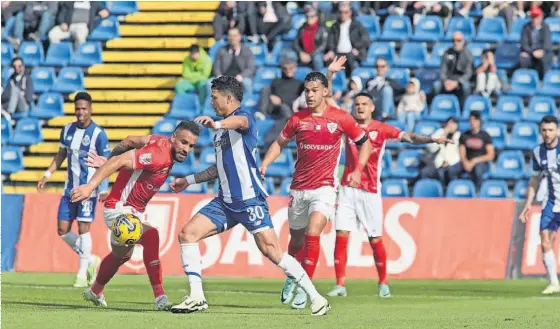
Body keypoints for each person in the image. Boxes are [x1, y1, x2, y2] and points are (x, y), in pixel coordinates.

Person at [168, 76, 331, 316]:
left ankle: (317, 298)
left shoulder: (245, 119)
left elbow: (241, 121)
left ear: (228, 98)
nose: (211, 102)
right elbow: (218, 168)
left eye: (214, 98)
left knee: (272, 251)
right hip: (225, 202)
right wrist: (188, 180)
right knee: (187, 234)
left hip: (249, 200)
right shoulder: (220, 132)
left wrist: (218, 124)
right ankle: (197, 297)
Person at [260, 57, 373, 310]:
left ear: (325, 92)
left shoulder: (341, 118)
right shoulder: (297, 120)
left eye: (314, 91)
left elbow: (364, 143)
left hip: (324, 188)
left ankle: (305, 287)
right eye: (307, 91)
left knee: (314, 234)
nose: (309, 95)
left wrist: (358, 169)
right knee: (295, 242)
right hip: (298, 188)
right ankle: (292, 275)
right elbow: (279, 143)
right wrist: (265, 163)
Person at [325, 92, 451, 298]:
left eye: (364, 104)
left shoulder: (380, 129)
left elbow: (408, 137)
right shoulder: (348, 125)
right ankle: (340, 284)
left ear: (372, 107)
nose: (360, 107)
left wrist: (431, 139)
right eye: (357, 104)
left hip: (370, 191)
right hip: (348, 189)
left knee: (375, 239)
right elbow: (329, 100)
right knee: (341, 235)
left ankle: (383, 282)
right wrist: (330, 75)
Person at [70, 121, 201, 310]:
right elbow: (121, 160)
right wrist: (91, 185)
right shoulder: (158, 154)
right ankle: (160, 297)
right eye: (184, 142)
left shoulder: (159, 141)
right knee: (151, 236)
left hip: (131, 210)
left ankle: (95, 291)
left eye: (191, 146)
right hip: (120, 208)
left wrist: (108, 161)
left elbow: (131, 140)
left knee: (121, 255)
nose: (187, 149)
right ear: (173, 137)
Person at [36, 92, 108, 288]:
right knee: (62, 230)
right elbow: (60, 155)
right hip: (69, 189)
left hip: (87, 190)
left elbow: (107, 163)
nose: (80, 112)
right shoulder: (67, 130)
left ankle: (82, 273)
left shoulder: (98, 134)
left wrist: (103, 187)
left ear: (91, 109)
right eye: (77, 108)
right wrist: (47, 175)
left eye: (84, 108)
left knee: (84, 229)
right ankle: (91, 259)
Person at [520, 115, 560, 295]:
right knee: (545, 240)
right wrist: (528, 204)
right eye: (544, 130)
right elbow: (534, 179)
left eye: (551, 130)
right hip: (552, 202)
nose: (547, 133)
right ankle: (554, 282)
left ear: (557, 131)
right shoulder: (537, 152)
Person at [258, 57, 304, 148]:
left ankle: (284, 134)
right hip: (275, 108)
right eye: (285, 68)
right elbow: (270, 94)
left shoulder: (300, 84)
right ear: (281, 69)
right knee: (265, 89)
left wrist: (282, 101)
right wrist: (271, 96)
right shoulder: (276, 81)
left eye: (291, 68)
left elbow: (301, 100)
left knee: (285, 109)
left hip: (289, 109)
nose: (288, 70)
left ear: (295, 68)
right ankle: (262, 114)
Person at [210, 27, 255, 95]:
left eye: (234, 36)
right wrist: (219, 76)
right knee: (208, 83)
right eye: (230, 36)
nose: (232, 38)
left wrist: (241, 76)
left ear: (239, 37)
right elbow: (216, 67)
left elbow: (251, 68)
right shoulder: (221, 50)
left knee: (247, 83)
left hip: (240, 78)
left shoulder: (247, 51)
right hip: (225, 78)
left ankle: (247, 104)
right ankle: (209, 105)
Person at [433, 31, 473, 106]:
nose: (456, 43)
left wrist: (457, 82)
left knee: (466, 87)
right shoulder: (447, 53)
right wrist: (445, 81)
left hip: (460, 81)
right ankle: (436, 107)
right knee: (436, 86)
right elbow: (443, 70)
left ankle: (463, 109)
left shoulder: (468, 54)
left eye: (458, 40)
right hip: (448, 80)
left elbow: (468, 73)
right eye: (453, 40)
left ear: (463, 41)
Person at [459, 111, 495, 188]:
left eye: (475, 120)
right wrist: (465, 162)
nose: (472, 122)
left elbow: (490, 155)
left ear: (479, 121)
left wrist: (474, 161)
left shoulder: (485, 135)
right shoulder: (464, 135)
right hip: (466, 162)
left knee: (477, 169)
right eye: (470, 120)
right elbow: (462, 153)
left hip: (481, 163)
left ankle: (477, 192)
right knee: (452, 170)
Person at [520, 6, 553, 79]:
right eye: (533, 17)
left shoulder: (546, 27)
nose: (534, 19)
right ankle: (525, 80)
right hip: (531, 52)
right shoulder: (526, 27)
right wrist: (532, 52)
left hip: (543, 52)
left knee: (544, 60)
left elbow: (547, 43)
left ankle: (544, 81)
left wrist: (542, 51)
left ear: (541, 17)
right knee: (523, 58)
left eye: (536, 17)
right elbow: (524, 43)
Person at [293, 4, 328, 71]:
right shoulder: (302, 28)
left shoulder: (322, 28)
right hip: (303, 52)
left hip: (317, 53)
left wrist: (311, 55)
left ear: (316, 17)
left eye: (312, 16)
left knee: (317, 57)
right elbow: (295, 43)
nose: (309, 18)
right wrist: (300, 52)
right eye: (307, 16)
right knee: (290, 55)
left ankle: (319, 78)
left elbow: (323, 45)